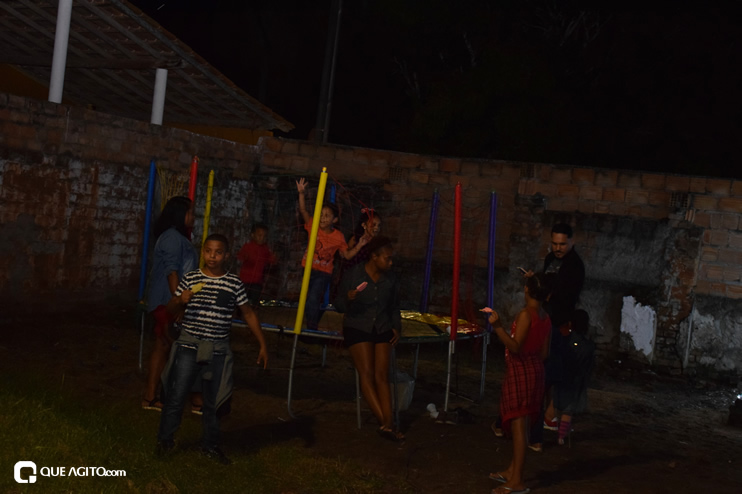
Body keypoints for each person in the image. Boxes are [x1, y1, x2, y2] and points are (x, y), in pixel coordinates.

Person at [156, 234, 268, 464]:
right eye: (208, 251)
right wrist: (180, 300)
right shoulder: (191, 278)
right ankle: (165, 442)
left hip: (217, 350)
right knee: (177, 396)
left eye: (218, 252)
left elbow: (247, 313)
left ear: (226, 255)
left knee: (214, 402)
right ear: (203, 253)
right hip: (189, 345)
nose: (212, 256)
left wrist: (262, 344)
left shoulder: (233, 283)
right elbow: (170, 309)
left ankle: (210, 446)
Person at [488, 272, 553, 494]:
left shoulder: (526, 315)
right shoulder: (545, 317)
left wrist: (498, 327)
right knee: (522, 425)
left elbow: (515, 347)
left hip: (521, 371)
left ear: (526, 289)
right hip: (536, 370)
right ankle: (512, 471)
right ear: (547, 295)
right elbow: (544, 353)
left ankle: (517, 481)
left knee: (518, 426)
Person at [335, 236, 403, 441]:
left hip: (382, 325)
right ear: (374, 257)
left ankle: (388, 423)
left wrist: (396, 328)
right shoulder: (354, 274)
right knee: (366, 373)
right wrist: (348, 298)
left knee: (382, 375)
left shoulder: (390, 279)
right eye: (387, 258)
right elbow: (338, 304)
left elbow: (394, 307)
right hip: (358, 325)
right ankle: (386, 423)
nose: (390, 262)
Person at [142, 196, 198, 412]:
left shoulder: (176, 237)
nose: (193, 216)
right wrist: (178, 302)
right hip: (167, 302)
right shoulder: (172, 238)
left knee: (163, 346)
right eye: (190, 212)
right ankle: (163, 396)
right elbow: (172, 272)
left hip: (168, 301)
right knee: (174, 346)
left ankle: (153, 396)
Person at [296, 177, 367, 330]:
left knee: (313, 298)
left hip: (323, 273)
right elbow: (303, 211)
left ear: (334, 220)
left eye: (327, 215)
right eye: (321, 214)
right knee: (308, 300)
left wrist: (359, 245)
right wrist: (301, 194)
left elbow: (346, 255)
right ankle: (312, 323)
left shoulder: (338, 237)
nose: (322, 218)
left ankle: (311, 328)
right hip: (307, 268)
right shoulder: (312, 225)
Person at [538, 223, 585, 440]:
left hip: (560, 323)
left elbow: (567, 297)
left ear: (572, 242)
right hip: (546, 320)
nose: (558, 248)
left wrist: (549, 294)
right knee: (548, 369)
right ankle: (549, 416)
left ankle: (551, 415)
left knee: (557, 371)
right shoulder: (550, 259)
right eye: (555, 243)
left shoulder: (575, 266)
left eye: (562, 244)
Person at [553, 309, 595, 445]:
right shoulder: (588, 345)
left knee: (563, 408)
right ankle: (562, 435)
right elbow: (589, 365)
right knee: (568, 410)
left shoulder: (565, 340)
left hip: (564, 378)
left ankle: (561, 432)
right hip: (576, 381)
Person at [237, 223, 277, 306]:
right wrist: (245, 257)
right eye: (259, 235)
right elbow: (240, 257)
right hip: (245, 281)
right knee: (242, 303)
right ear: (253, 235)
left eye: (264, 236)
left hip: (257, 282)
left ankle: (254, 312)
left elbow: (270, 261)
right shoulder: (247, 246)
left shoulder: (265, 249)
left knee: (255, 303)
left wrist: (274, 258)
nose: (262, 238)